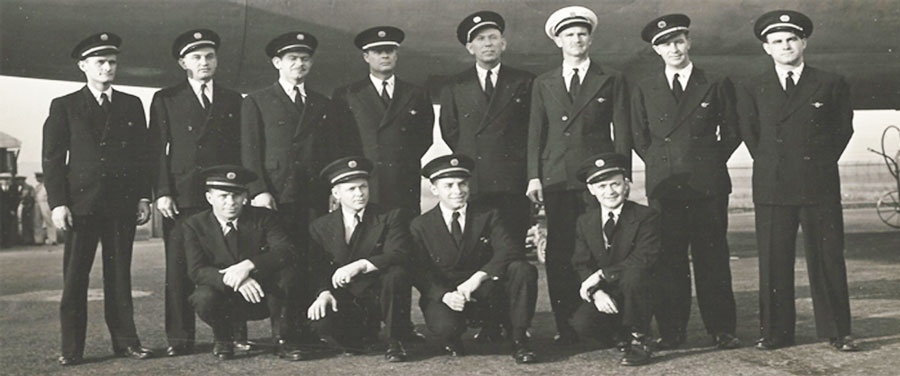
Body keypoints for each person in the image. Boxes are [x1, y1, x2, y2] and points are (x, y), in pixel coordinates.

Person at [736, 10, 857, 352]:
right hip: (773, 186)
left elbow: (841, 130)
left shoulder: (831, 82)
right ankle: (776, 332)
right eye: (777, 41)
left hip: (818, 184)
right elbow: (751, 134)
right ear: (766, 48)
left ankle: (837, 331)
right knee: (774, 262)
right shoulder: (752, 86)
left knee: (828, 259)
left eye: (791, 39)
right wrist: (777, 164)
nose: (785, 45)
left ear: (803, 42)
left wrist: (815, 163)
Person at [42, 32, 153, 366]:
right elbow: (52, 158)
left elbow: (141, 157)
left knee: (119, 277)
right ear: (83, 66)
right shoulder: (64, 105)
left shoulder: (131, 104)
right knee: (75, 277)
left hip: (121, 204)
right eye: (100, 62)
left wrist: (143, 197)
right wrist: (58, 202)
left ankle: (126, 342)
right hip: (81, 205)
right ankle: (72, 348)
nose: (108, 67)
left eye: (112, 62)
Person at [631, 14, 741, 350]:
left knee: (713, 259)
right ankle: (672, 331)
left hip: (706, 186)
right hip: (666, 186)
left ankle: (721, 329)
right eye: (665, 44)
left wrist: (704, 160)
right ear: (657, 50)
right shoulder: (645, 87)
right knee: (669, 261)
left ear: (689, 43)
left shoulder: (714, 81)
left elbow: (733, 132)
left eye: (679, 41)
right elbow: (639, 136)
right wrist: (665, 163)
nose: (674, 48)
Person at [526, 6, 631, 344]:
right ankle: (566, 326)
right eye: (569, 34)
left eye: (582, 34)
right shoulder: (544, 83)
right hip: (557, 178)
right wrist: (534, 176)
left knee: (604, 249)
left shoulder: (610, 78)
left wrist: (622, 176)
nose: (576, 39)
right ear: (558, 41)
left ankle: (610, 324)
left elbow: (623, 132)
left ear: (590, 38)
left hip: (596, 182)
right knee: (559, 253)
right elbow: (535, 134)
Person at [241, 31, 348, 342]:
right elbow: (250, 151)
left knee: (312, 257)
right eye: (292, 59)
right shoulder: (257, 101)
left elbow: (331, 151)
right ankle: (284, 331)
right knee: (282, 261)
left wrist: (332, 191)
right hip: (275, 196)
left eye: (304, 58)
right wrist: (259, 191)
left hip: (313, 195)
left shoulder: (322, 103)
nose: (299, 63)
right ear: (277, 63)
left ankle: (312, 327)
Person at [148, 28, 248, 357]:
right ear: (183, 62)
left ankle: (233, 333)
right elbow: (156, 150)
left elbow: (240, 149)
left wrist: (239, 192)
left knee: (229, 262)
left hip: (223, 196)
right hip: (182, 196)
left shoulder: (233, 99)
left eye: (209, 56)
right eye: (196, 57)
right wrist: (162, 191)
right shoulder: (166, 98)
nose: (204, 62)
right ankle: (180, 338)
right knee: (178, 268)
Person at [439, 12, 535, 303]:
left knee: (513, 249)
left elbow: (533, 130)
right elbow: (451, 132)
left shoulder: (524, 81)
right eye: (480, 39)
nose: (488, 44)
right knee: (481, 253)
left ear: (504, 43)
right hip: (477, 183)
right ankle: (490, 319)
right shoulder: (455, 85)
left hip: (512, 183)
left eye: (493, 38)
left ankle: (515, 318)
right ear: (470, 48)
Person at [411, 154, 539, 364]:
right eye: (449, 185)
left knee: (522, 269)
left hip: (483, 288)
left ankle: (519, 339)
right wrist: (444, 296)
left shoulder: (488, 215)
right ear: (435, 189)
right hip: (448, 293)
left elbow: (508, 250)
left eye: (462, 184)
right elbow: (419, 270)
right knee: (446, 327)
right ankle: (452, 338)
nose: (457, 191)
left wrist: (478, 278)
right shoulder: (420, 225)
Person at [181, 165, 307, 361]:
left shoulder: (264, 217)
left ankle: (283, 339)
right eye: (223, 196)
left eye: (236, 195)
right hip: (226, 296)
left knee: (288, 275)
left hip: (262, 294)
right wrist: (237, 279)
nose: (230, 202)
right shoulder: (195, 224)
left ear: (245, 197)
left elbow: (286, 250)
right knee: (203, 297)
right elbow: (197, 270)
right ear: (209, 198)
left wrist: (248, 266)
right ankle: (223, 338)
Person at [307, 156, 415, 362]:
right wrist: (323, 293)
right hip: (345, 297)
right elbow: (316, 267)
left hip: (377, 292)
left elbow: (399, 253)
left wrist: (361, 265)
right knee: (322, 324)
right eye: (352, 189)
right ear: (336, 193)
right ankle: (359, 334)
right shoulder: (320, 226)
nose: (360, 193)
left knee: (397, 274)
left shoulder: (388, 216)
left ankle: (395, 341)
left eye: (363, 187)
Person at [329, 25, 433, 215]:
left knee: (402, 234)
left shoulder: (416, 93)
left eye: (390, 51)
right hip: (366, 180)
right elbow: (339, 140)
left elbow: (424, 137)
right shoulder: (348, 95)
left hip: (403, 180)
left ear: (396, 55)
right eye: (378, 51)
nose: (385, 56)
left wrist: (401, 160)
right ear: (366, 57)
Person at [570, 152, 660, 366]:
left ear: (625, 184)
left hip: (640, 286)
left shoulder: (646, 216)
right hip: (610, 290)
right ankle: (620, 335)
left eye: (615, 184)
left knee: (633, 276)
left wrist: (602, 274)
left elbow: (644, 258)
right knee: (581, 324)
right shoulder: (585, 221)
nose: (610, 192)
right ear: (591, 190)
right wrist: (597, 291)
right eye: (601, 186)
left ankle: (640, 338)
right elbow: (580, 262)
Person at [34, 172, 56, 245]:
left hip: (45, 203)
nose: (38, 179)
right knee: (37, 222)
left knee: (48, 221)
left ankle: (52, 239)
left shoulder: (47, 186)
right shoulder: (37, 186)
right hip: (37, 203)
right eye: (37, 178)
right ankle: (38, 239)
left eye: (39, 177)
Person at [14, 176, 36, 245]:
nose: (18, 182)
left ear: (23, 180)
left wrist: (30, 206)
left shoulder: (29, 187)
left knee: (29, 223)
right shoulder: (19, 188)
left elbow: (32, 198)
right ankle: (25, 239)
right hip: (22, 207)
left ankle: (30, 239)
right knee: (23, 223)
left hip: (28, 206)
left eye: (19, 180)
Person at [0, 172, 15, 248]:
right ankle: (2, 242)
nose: (5, 181)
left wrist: (13, 209)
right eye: (3, 179)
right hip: (1, 210)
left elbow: (15, 200)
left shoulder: (13, 188)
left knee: (8, 226)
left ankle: (8, 242)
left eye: (7, 179)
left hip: (8, 211)